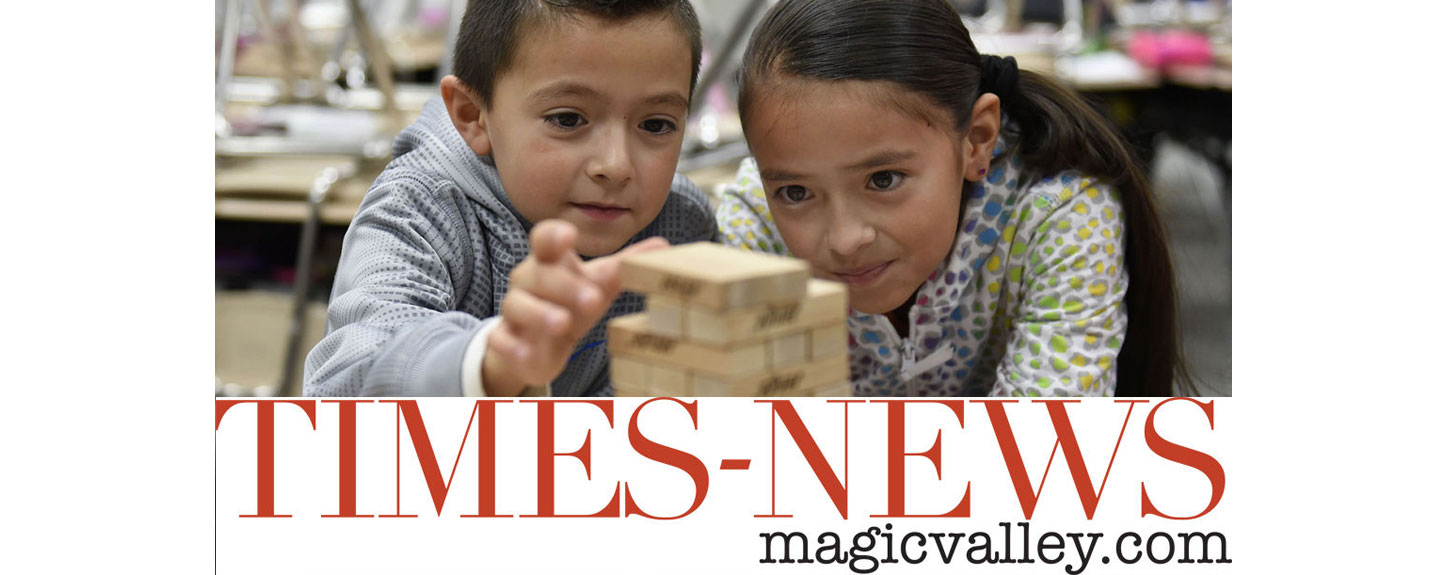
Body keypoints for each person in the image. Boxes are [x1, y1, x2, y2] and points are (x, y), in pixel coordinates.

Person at [719, 0, 1182, 396]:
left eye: (883, 180)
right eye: (795, 192)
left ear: (977, 139)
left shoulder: (1059, 216)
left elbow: (1047, 462)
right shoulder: (754, 227)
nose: (844, 240)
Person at [305, 0, 715, 397]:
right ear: (472, 115)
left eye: (656, 124)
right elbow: (346, 379)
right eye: (568, 119)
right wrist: (494, 362)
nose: (616, 165)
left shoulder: (682, 227)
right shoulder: (420, 210)